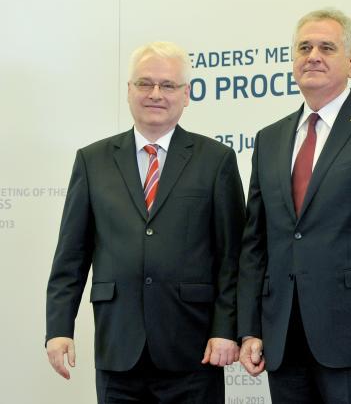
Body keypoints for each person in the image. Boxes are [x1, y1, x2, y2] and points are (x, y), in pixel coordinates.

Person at [45, 41, 245, 403]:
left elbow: (232, 257)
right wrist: (59, 328)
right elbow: (71, 255)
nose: (155, 94)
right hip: (118, 348)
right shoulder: (92, 161)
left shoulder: (216, 160)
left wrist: (226, 329)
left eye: (167, 85)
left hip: (193, 350)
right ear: (128, 91)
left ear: (186, 94)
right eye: (144, 83)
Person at [236, 9, 351, 404]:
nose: (313, 56)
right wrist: (250, 328)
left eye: (326, 48)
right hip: (283, 339)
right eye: (304, 47)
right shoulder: (269, 139)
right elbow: (255, 242)